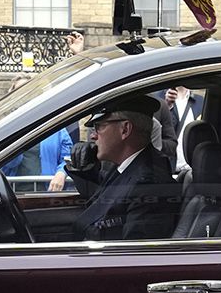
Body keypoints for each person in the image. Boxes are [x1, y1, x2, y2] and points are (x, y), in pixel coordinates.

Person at [60, 94, 181, 241]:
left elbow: (133, 255)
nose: (93, 136)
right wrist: (83, 166)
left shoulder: (149, 183)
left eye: (99, 127)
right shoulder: (129, 166)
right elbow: (102, 197)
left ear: (125, 129)